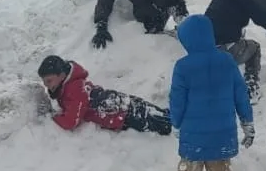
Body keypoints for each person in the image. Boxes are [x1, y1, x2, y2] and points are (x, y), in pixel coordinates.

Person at [168, 14, 254, 171]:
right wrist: (247, 122)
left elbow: (177, 100)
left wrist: (175, 123)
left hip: (193, 141)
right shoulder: (226, 61)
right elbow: (241, 96)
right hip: (222, 140)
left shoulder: (183, 67)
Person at [38, 55, 171, 135]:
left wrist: (52, 117)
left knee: (164, 124)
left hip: (120, 114)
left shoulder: (74, 89)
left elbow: (71, 122)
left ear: (61, 75)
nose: (46, 85)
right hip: (115, 102)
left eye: (49, 81)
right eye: (44, 82)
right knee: (153, 112)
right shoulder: (67, 83)